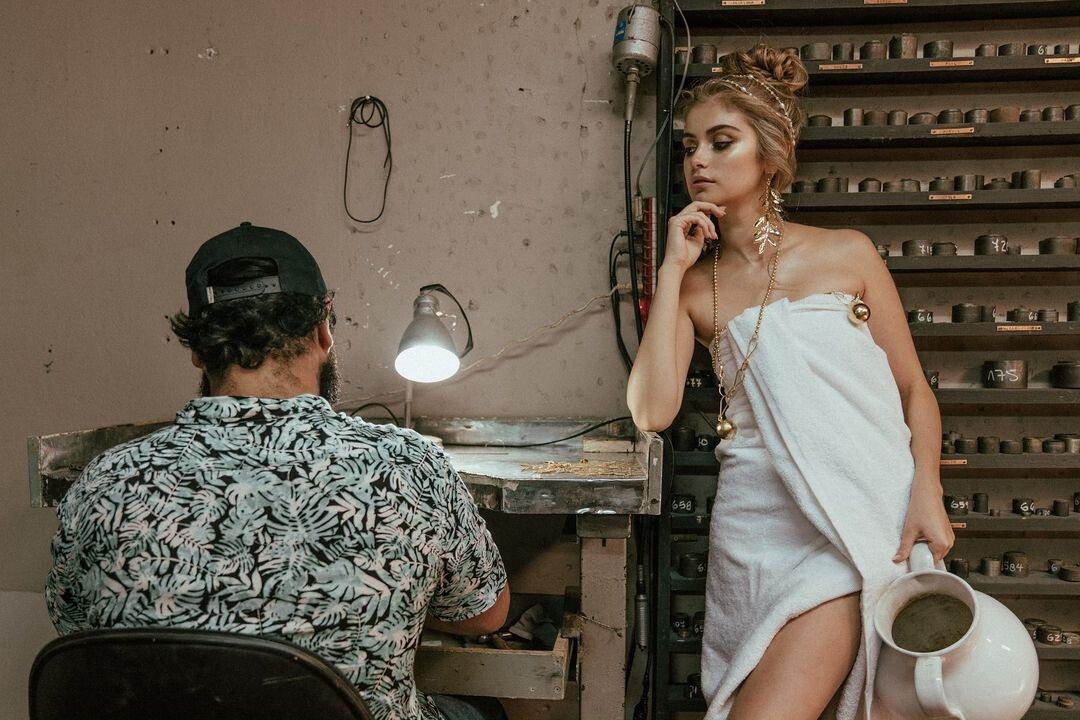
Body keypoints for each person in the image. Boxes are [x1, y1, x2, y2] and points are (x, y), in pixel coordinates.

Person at [46, 221, 511, 720]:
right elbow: (485, 614)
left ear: (198, 352)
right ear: (323, 333)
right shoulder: (410, 467)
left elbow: (78, 626)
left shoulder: (104, 482)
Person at [626, 46, 953, 720]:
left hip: (851, 522)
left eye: (722, 142)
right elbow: (651, 411)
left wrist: (928, 489)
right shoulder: (695, 288)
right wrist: (671, 269)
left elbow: (913, 391)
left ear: (770, 156)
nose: (698, 161)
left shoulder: (848, 253)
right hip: (754, 532)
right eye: (690, 146)